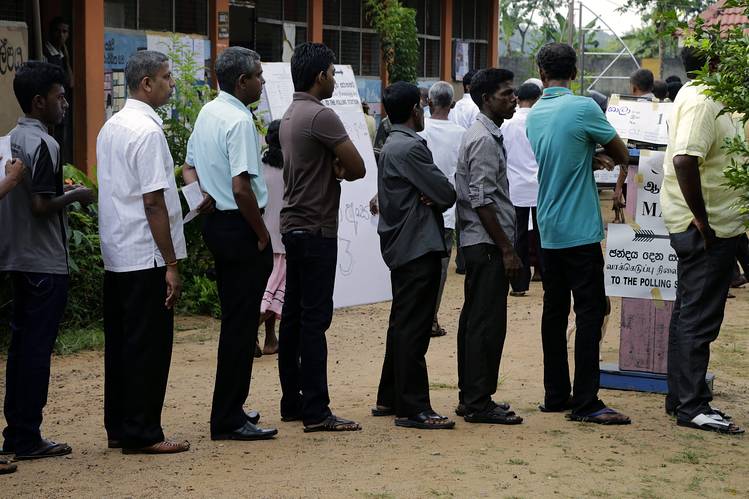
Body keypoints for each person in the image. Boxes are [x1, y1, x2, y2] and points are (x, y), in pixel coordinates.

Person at [526, 43, 631, 425]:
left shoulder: (535, 112)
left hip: (548, 225)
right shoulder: (584, 107)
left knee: (554, 311)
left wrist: (587, 154)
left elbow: (560, 154)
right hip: (580, 230)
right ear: (575, 72)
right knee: (590, 311)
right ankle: (586, 402)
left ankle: (556, 394)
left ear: (541, 72)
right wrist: (597, 152)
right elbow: (621, 153)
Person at [96, 51, 189, 454]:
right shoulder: (148, 132)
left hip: (117, 254)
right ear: (146, 83)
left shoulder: (111, 126)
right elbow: (152, 203)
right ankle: (143, 432)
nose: (172, 84)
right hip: (145, 255)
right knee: (148, 346)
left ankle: (119, 425)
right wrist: (171, 262)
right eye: (167, 77)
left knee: (121, 345)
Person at [0, 61, 94, 460]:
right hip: (44, 263)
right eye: (60, 97)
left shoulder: (8, 139)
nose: (66, 104)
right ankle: (27, 436)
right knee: (37, 352)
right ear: (39, 102)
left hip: (16, 259)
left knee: (21, 349)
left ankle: (16, 432)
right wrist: (77, 196)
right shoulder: (46, 144)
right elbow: (41, 206)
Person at [183, 47, 277, 441]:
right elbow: (242, 189)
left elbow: (187, 165)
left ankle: (232, 407)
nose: (262, 81)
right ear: (242, 82)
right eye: (258, 75)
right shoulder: (238, 120)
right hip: (240, 229)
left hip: (218, 226)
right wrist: (261, 233)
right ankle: (227, 419)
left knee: (236, 323)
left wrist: (198, 194)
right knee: (240, 328)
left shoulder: (209, 111)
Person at [278, 42, 365, 432]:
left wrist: (333, 166)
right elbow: (359, 167)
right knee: (315, 321)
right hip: (317, 229)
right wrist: (340, 169)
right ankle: (317, 410)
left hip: (293, 226)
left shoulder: (290, 113)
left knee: (294, 319)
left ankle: (292, 402)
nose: (333, 78)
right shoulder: (321, 116)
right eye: (331, 72)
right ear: (319, 77)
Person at [660, 46, 746, 435]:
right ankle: (692, 405)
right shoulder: (701, 98)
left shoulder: (714, 98)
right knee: (698, 318)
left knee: (688, 313)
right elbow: (684, 159)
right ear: (714, 65)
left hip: (720, 225)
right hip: (706, 230)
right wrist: (702, 218)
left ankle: (681, 397)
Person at [372, 81, 456, 430]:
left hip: (403, 243)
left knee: (402, 323)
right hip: (417, 244)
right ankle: (414, 406)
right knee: (414, 328)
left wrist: (430, 193)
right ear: (414, 111)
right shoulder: (410, 148)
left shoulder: (392, 144)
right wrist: (432, 193)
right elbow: (446, 192)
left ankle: (390, 396)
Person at [454, 68, 524, 425]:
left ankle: (472, 396)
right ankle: (478, 402)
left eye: (513, 93)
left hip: (481, 241)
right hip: (486, 244)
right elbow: (481, 199)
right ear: (486, 99)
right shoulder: (482, 138)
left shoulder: (487, 134)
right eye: (506, 94)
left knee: (476, 321)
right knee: (485, 323)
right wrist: (507, 248)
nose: (513, 99)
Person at [418, 81, 465, 337]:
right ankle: (431, 318)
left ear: (429, 102)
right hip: (447, 211)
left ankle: (419, 316)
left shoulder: (419, 132)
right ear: (452, 104)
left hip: (419, 208)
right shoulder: (461, 133)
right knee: (440, 269)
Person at [501, 82, 543, 297]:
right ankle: (547, 279)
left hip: (515, 186)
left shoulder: (507, 124)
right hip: (539, 187)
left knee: (518, 237)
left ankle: (519, 284)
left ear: (518, 98)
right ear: (538, 99)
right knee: (542, 235)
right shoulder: (541, 122)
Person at [259, 119, 285, 355]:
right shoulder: (293, 166)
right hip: (284, 239)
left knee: (268, 289)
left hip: (263, 237)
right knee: (274, 296)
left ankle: (270, 338)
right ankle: (247, 334)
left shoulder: (259, 165)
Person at [43, 17, 74, 164]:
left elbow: (71, 82)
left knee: (62, 141)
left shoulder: (61, 55)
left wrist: (66, 58)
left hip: (61, 106)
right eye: (58, 31)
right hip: (51, 107)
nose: (61, 35)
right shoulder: (46, 53)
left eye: (65, 32)